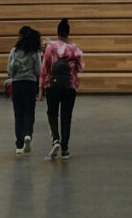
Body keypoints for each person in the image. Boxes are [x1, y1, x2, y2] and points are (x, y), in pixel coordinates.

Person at [38, 18, 84, 159]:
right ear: (68, 34)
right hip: (69, 86)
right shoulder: (74, 49)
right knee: (66, 116)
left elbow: (45, 68)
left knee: (52, 114)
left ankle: (55, 141)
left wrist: (41, 89)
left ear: (57, 33)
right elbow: (81, 68)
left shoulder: (50, 48)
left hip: (52, 85)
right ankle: (65, 148)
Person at [7, 26, 41, 155]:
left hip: (17, 85)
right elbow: (38, 70)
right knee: (29, 112)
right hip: (30, 84)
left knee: (18, 114)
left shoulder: (14, 51)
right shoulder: (34, 52)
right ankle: (27, 134)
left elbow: (9, 71)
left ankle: (19, 145)